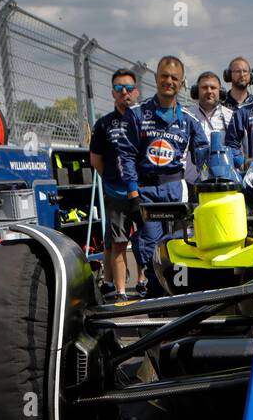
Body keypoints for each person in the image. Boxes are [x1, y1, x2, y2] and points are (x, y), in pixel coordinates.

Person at [117, 55, 209, 295]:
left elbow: (204, 154)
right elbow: (125, 156)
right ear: (157, 78)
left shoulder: (189, 119)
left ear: (181, 83)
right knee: (149, 246)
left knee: (179, 245)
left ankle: (179, 298)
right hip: (146, 191)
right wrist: (133, 192)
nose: (169, 81)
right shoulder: (137, 115)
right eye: (164, 76)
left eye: (174, 78)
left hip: (175, 190)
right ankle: (155, 296)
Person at [90, 68, 142, 297]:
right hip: (115, 191)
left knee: (144, 239)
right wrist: (113, 180)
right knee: (117, 242)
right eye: (119, 88)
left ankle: (143, 281)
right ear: (113, 93)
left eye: (129, 88)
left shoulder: (144, 120)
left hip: (143, 191)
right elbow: (96, 160)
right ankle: (119, 291)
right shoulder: (103, 124)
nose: (125, 93)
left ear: (136, 92)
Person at [185, 72, 234, 187]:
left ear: (220, 91)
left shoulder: (231, 116)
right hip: (192, 184)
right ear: (196, 91)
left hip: (224, 183)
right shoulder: (186, 115)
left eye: (213, 87)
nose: (209, 91)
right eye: (204, 87)